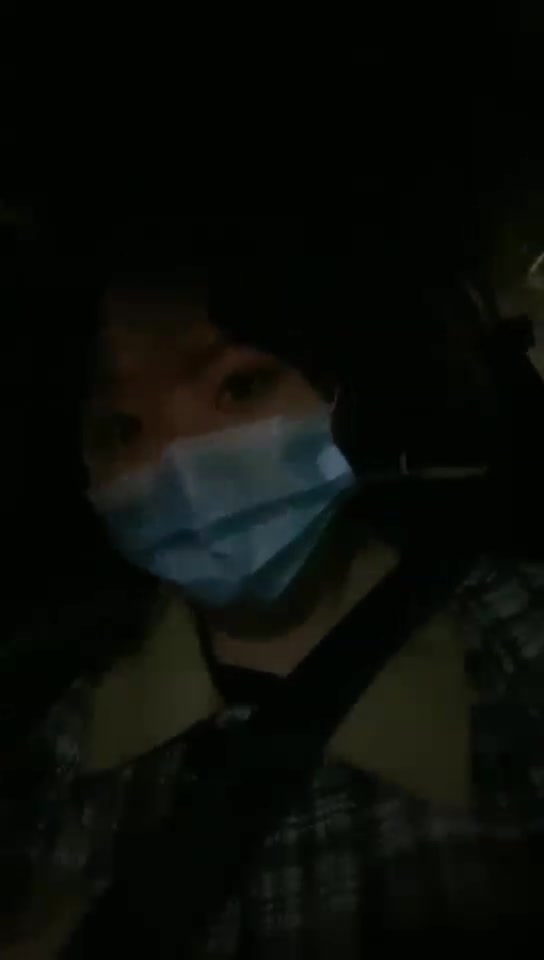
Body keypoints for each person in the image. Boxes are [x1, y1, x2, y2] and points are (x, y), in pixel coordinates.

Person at [2, 217, 544, 957]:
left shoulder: (520, 641)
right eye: (120, 430)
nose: (178, 467)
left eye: (242, 384)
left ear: (345, 395)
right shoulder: (52, 742)